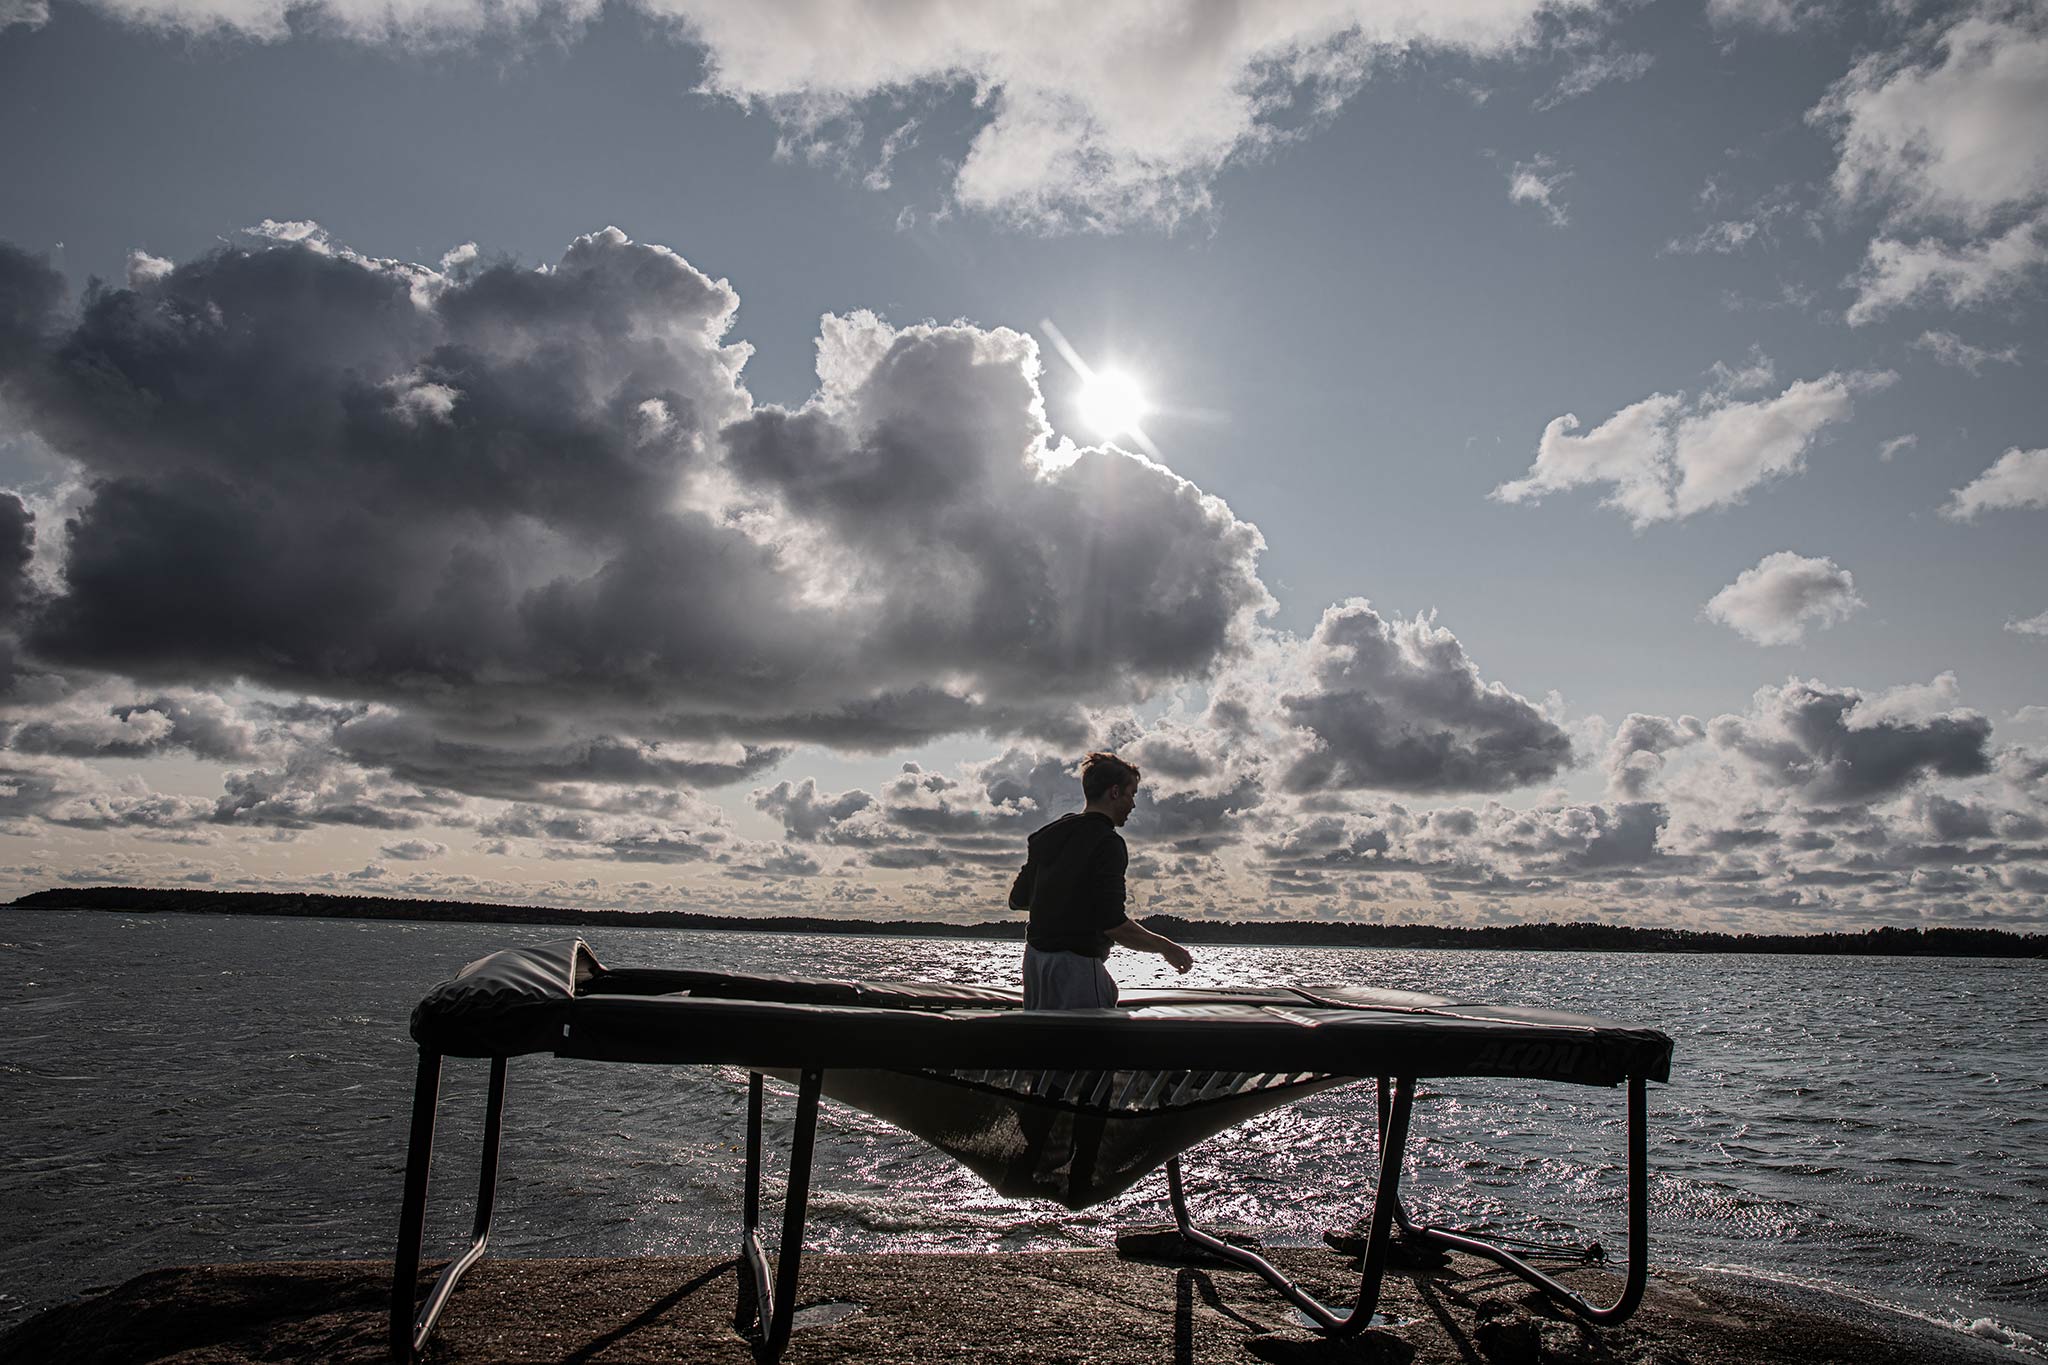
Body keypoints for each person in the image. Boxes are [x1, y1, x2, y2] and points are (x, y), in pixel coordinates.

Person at [1010, 751, 1193, 1009]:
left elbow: (1017, 900)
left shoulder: (1047, 835)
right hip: (1076, 967)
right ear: (1115, 792)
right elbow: (1113, 924)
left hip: (1035, 966)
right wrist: (1166, 947)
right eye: (1132, 794)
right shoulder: (1108, 843)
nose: (1133, 804)